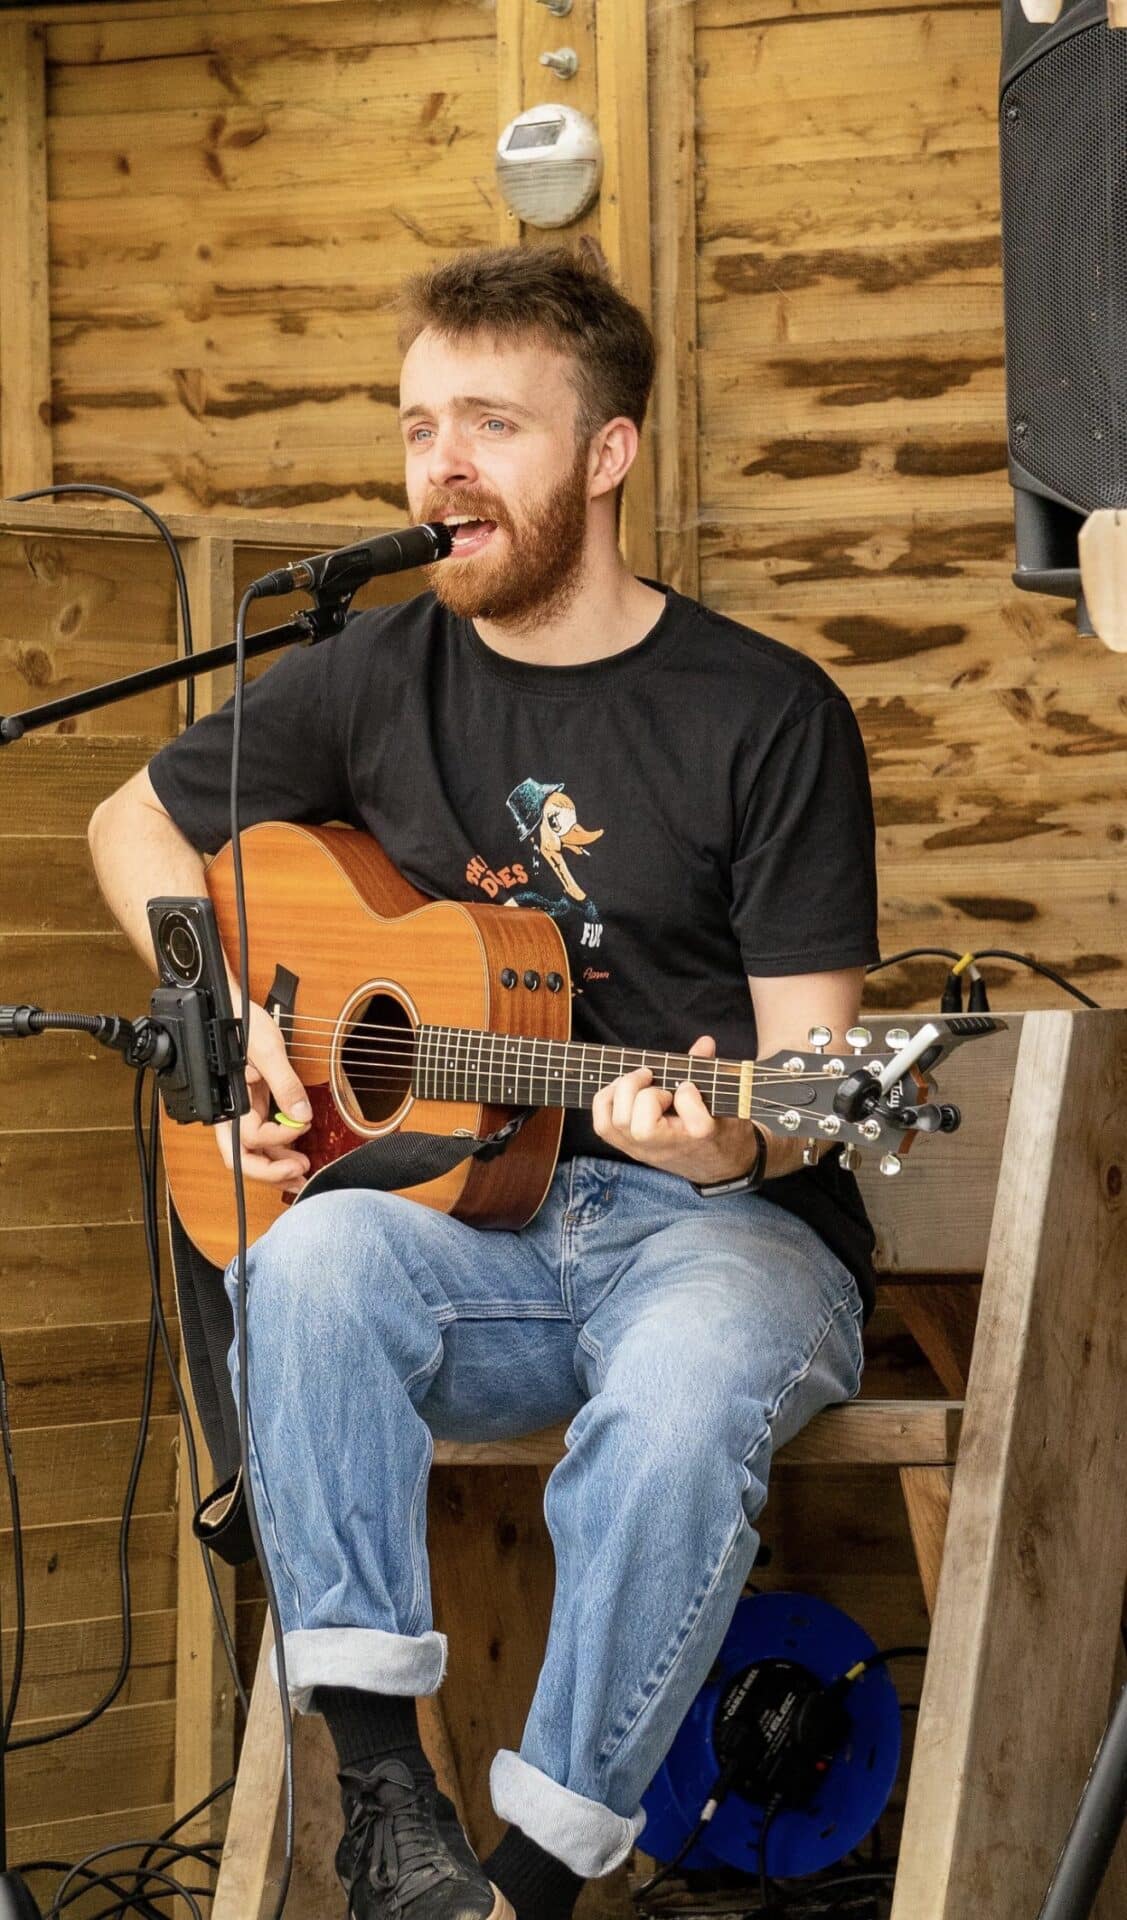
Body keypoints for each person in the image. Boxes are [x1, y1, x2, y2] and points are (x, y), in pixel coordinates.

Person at [89, 246, 880, 1920]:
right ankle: (392, 1810)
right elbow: (130, 818)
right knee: (306, 1259)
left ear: (607, 454)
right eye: (418, 427)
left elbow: (815, 1083)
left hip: (721, 1233)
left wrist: (730, 1141)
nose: (442, 468)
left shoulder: (767, 713)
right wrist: (217, 1006)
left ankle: (532, 1881)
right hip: (474, 1233)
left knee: (679, 1405)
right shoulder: (374, 672)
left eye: (493, 425)